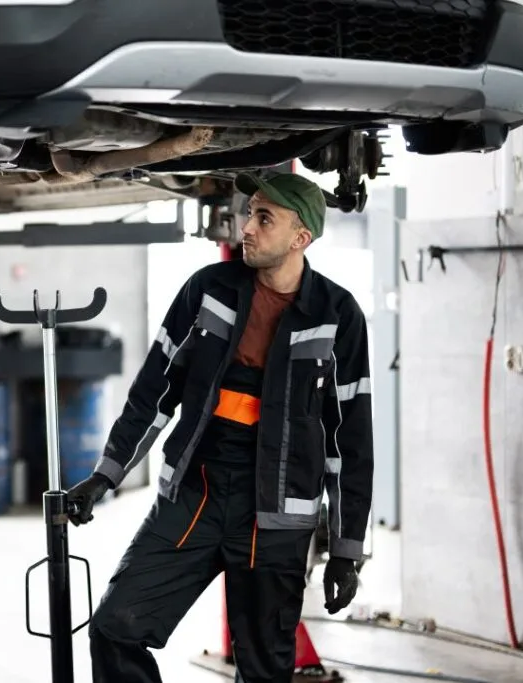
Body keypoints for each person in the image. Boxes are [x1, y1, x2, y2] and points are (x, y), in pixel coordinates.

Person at [66, 172, 374, 683]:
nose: (246, 227)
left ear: (300, 238)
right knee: (116, 626)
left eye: (264, 218)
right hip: (197, 493)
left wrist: (346, 549)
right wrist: (106, 474)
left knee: (264, 669)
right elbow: (155, 389)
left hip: (276, 514)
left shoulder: (337, 315)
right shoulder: (209, 290)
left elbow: (351, 441)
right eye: (250, 212)